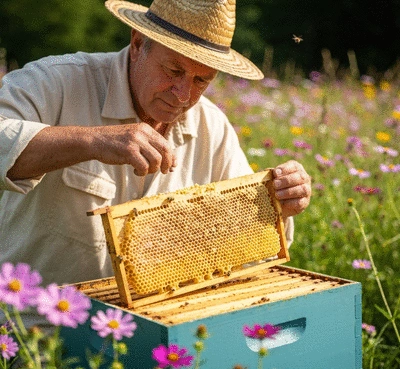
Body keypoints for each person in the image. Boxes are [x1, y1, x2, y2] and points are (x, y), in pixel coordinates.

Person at [0, 0, 311, 286]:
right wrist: (92, 140)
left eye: (201, 81)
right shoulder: (57, 81)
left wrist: (279, 203)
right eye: (174, 70)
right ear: (138, 44)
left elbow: (251, 251)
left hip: (154, 333)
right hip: (33, 329)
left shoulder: (212, 127)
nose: (183, 95)